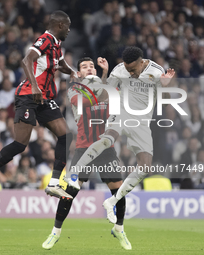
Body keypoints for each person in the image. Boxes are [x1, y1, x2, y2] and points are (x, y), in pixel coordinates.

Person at [0, 10, 76, 201]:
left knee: (65, 135)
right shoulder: (45, 39)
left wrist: (72, 72)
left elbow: (60, 63)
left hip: (44, 99)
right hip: (29, 95)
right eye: (68, 27)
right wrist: (36, 86)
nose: (69, 31)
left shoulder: (57, 45)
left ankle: (54, 183)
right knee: (21, 145)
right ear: (60, 25)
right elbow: (26, 59)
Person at [69, 46, 175, 223]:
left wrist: (165, 86)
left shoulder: (157, 71)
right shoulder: (119, 70)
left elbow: (166, 98)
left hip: (141, 122)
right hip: (122, 111)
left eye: (133, 70)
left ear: (142, 63)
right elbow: (105, 93)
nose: (130, 73)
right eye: (127, 69)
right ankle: (76, 173)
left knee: (145, 166)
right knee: (107, 138)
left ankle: (112, 201)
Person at [42, 57, 130, 250]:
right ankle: (55, 233)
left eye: (92, 66)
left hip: (105, 148)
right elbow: (91, 101)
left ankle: (119, 229)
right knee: (69, 193)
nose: (89, 68)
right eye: (84, 67)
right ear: (79, 74)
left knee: (119, 191)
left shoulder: (105, 86)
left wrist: (107, 76)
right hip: (84, 149)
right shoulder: (74, 90)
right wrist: (107, 79)